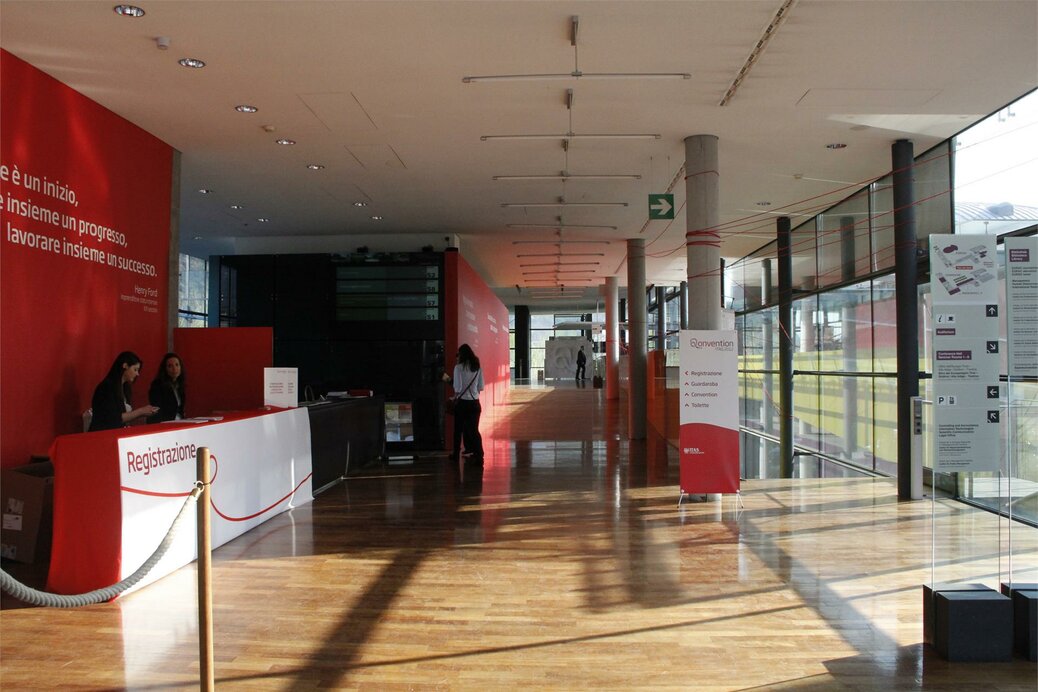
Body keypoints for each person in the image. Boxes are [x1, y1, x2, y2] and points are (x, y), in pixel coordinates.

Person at [88, 351, 159, 432]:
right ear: (125, 366)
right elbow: (112, 418)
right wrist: (141, 411)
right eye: (135, 369)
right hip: (103, 433)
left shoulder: (125, 388)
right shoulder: (106, 387)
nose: (137, 374)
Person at [442, 343, 484, 462]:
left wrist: (454, 395)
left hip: (462, 404)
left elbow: (458, 388)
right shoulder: (477, 367)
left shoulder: (458, 368)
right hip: (475, 403)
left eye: (458, 354)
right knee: (474, 430)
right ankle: (479, 454)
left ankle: (455, 454)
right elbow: (481, 387)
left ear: (461, 355)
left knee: (458, 430)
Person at [147, 352, 186, 423]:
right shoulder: (157, 385)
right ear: (165, 369)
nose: (174, 368)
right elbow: (157, 409)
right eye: (170, 366)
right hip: (164, 423)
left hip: (179, 421)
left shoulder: (179, 385)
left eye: (177, 365)